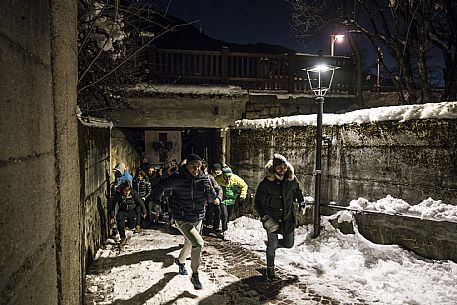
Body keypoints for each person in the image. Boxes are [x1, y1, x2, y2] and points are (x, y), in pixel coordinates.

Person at [151, 154, 219, 290]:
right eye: (193, 167)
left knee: (189, 243)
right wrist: (157, 201)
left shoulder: (203, 179)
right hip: (182, 218)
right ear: (186, 166)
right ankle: (195, 274)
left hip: (198, 217)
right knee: (198, 243)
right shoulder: (178, 178)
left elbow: (212, 198)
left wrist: (210, 189)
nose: (196, 170)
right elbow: (161, 186)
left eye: (198, 167)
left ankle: (180, 262)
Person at [254, 153, 304, 281]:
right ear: (274, 168)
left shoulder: (291, 180)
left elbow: (298, 191)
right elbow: (258, 202)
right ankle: (270, 269)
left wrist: (301, 202)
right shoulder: (266, 184)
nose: (282, 170)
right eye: (279, 168)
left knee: (289, 244)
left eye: (284, 167)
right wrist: (265, 217)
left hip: (287, 218)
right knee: (273, 244)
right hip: (272, 219)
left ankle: (272, 245)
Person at [110, 181, 147, 250]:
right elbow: (113, 204)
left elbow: (140, 202)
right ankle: (123, 238)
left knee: (131, 225)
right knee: (120, 221)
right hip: (122, 210)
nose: (127, 193)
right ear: (122, 190)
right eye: (125, 191)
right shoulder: (118, 194)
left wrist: (144, 211)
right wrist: (112, 216)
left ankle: (130, 225)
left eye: (128, 192)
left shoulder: (133, 193)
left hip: (131, 210)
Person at [215, 167, 248, 239]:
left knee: (229, 214)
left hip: (232, 199)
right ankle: (224, 230)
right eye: (225, 177)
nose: (227, 179)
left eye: (229, 177)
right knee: (224, 214)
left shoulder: (236, 179)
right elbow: (213, 187)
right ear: (222, 176)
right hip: (222, 199)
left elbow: (244, 186)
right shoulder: (217, 179)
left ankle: (226, 224)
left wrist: (242, 197)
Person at [202, 162, 223, 231]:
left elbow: (218, 188)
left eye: (204, 171)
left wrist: (218, 198)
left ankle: (215, 227)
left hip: (210, 198)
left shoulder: (210, 178)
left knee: (218, 211)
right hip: (199, 201)